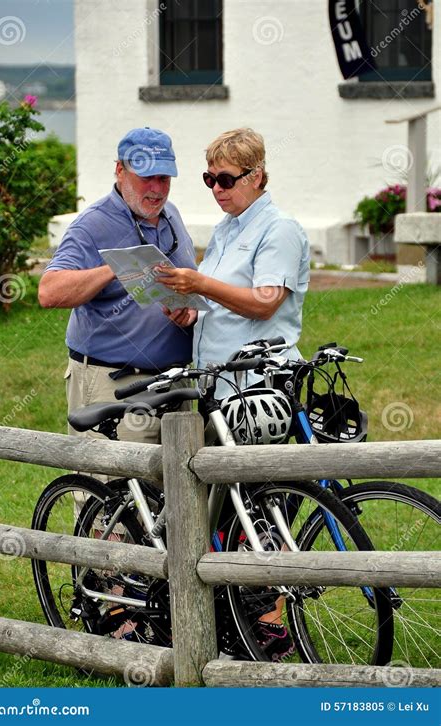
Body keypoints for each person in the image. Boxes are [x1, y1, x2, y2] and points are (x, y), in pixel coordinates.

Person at [157, 127, 311, 660]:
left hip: (259, 386)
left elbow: (265, 301)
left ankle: (269, 624)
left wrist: (198, 285)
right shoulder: (227, 228)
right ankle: (233, 623)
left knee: (260, 509)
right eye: (209, 179)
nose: (217, 189)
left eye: (226, 179)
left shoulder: (279, 228)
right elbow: (227, 300)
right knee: (225, 510)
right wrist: (190, 308)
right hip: (221, 386)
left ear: (258, 176)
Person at [38, 127, 197, 447]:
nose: (156, 189)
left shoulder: (171, 214)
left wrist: (189, 309)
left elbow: (187, 281)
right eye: (146, 177)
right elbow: (49, 292)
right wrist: (113, 268)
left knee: (177, 490)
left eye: (164, 178)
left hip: (174, 383)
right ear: (120, 170)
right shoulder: (92, 224)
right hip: (114, 385)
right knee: (114, 490)